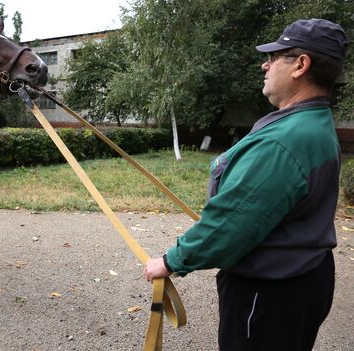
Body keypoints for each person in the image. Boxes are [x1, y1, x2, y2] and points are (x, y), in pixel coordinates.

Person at [143, 18, 348, 351]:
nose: (264, 65)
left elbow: (228, 226)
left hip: (269, 293)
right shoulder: (315, 121)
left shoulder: (284, 141)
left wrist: (169, 262)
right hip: (305, 277)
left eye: (275, 56)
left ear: (300, 65)